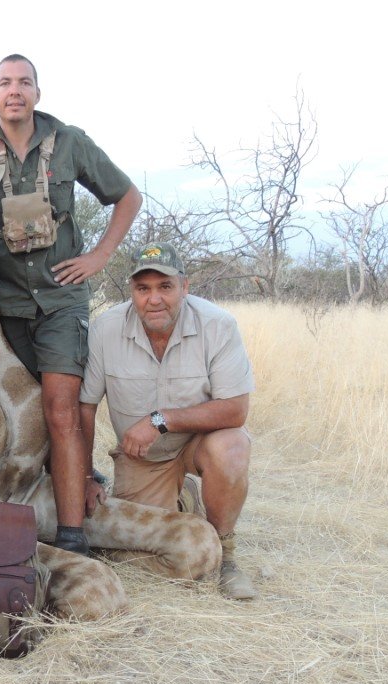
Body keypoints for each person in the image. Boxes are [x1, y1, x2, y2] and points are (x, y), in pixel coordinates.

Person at [0, 53, 141, 556]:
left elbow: (127, 196)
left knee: (62, 409)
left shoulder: (71, 142)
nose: (15, 91)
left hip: (60, 300)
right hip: (2, 305)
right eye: (5, 83)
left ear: (38, 92)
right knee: (20, 411)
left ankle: (74, 538)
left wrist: (99, 256)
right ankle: (27, 506)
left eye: (24, 82)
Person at [79, 242, 258, 599]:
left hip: (197, 443)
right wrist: (85, 475)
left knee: (232, 446)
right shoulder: (105, 329)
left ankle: (226, 557)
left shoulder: (218, 325)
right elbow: (85, 407)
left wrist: (160, 420)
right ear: (132, 291)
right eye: (143, 289)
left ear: (185, 287)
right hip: (143, 457)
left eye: (165, 287)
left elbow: (236, 409)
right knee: (129, 548)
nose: (154, 299)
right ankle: (185, 501)